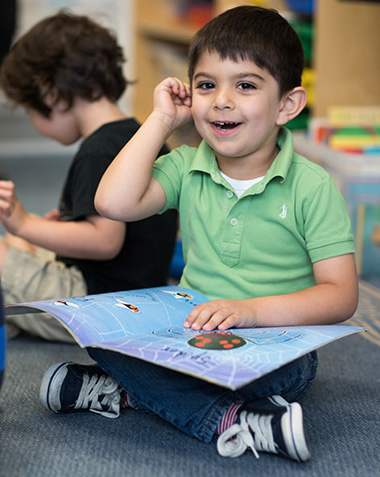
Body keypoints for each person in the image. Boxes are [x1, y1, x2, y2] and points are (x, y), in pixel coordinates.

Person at [37, 6, 358, 461]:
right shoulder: (187, 165)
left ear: (287, 104)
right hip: (188, 339)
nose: (221, 100)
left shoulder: (313, 185)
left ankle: (140, 398)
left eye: (245, 85)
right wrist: (161, 121)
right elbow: (113, 203)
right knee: (103, 338)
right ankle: (240, 419)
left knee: (273, 376)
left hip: (275, 348)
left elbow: (341, 296)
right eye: (207, 85)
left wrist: (248, 311)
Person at [0, 11, 177, 342]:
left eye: (30, 108)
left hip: (97, 306)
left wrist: (23, 223)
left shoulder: (98, 151)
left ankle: (13, 316)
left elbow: (105, 242)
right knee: (24, 240)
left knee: (13, 240)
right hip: (138, 296)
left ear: (50, 93)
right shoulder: (141, 136)